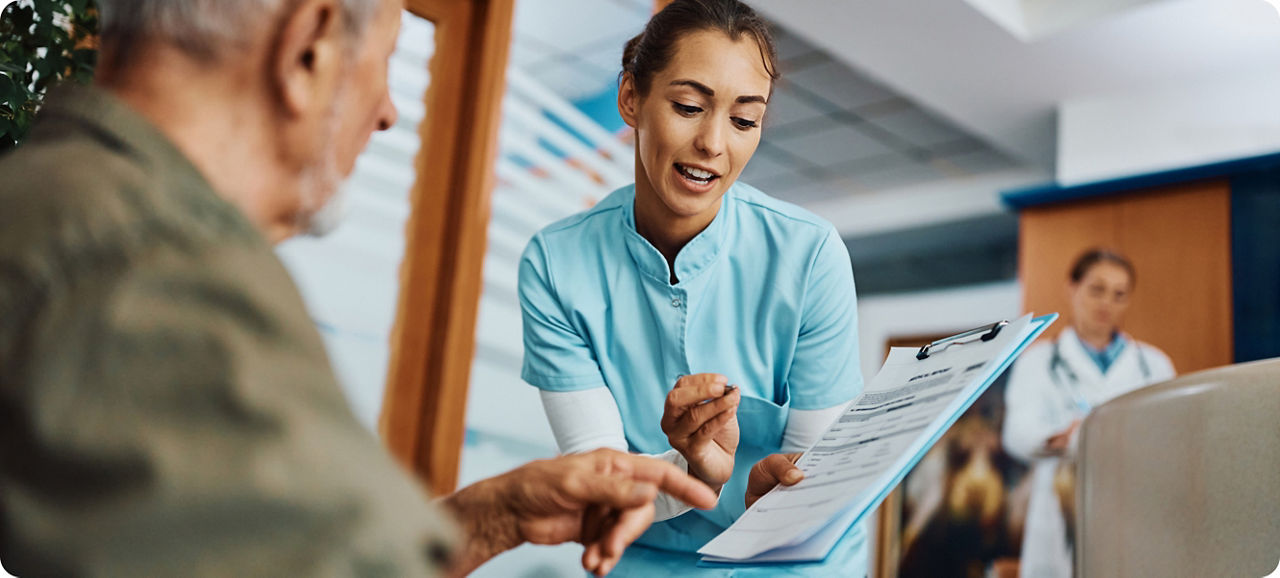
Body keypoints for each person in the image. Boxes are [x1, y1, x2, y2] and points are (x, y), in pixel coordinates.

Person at [0, 0, 733, 575]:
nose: (386, 111)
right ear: (310, 46)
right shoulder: (154, 264)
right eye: (384, 59)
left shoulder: (51, 204)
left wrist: (492, 517)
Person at [517, 0, 866, 574]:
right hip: (646, 561)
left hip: (788, 562)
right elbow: (597, 488)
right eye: (687, 106)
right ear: (631, 98)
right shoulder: (557, 264)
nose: (713, 143)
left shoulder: (809, 255)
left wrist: (782, 492)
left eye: (744, 120)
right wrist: (695, 474)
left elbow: (813, 467)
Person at [1002, 248, 1176, 578]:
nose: (1106, 303)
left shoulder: (1154, 365)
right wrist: (1062, 438)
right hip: (1059, 509)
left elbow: (1171, 438)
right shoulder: (1037, 362)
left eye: (1119, 294)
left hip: (1136, 508)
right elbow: (1016, 434)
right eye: (1097, 289)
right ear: (1072, 288)